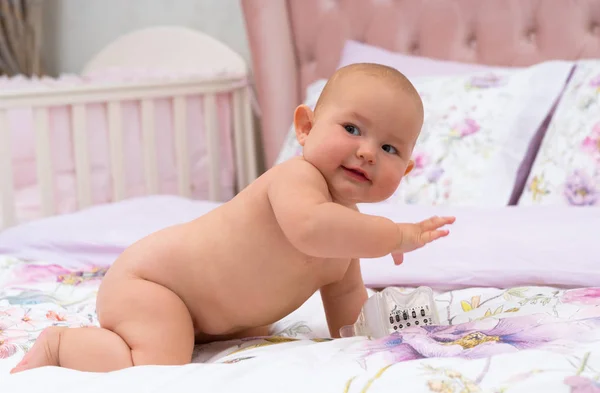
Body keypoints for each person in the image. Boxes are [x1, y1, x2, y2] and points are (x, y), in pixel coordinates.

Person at [11, 63, 454, 373]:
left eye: (389, 148)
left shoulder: (345, 234)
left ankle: (193, 333)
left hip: (209, 318)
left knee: (251, 332)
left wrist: (371, 342)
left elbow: (346, 299)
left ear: (407, 170)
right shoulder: (296, 181)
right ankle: (61, 345)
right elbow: (312, 228)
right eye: (352, 129)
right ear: (305, 128)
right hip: (154, 286)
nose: (366, 151)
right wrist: (395, 235)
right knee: (158, 361)